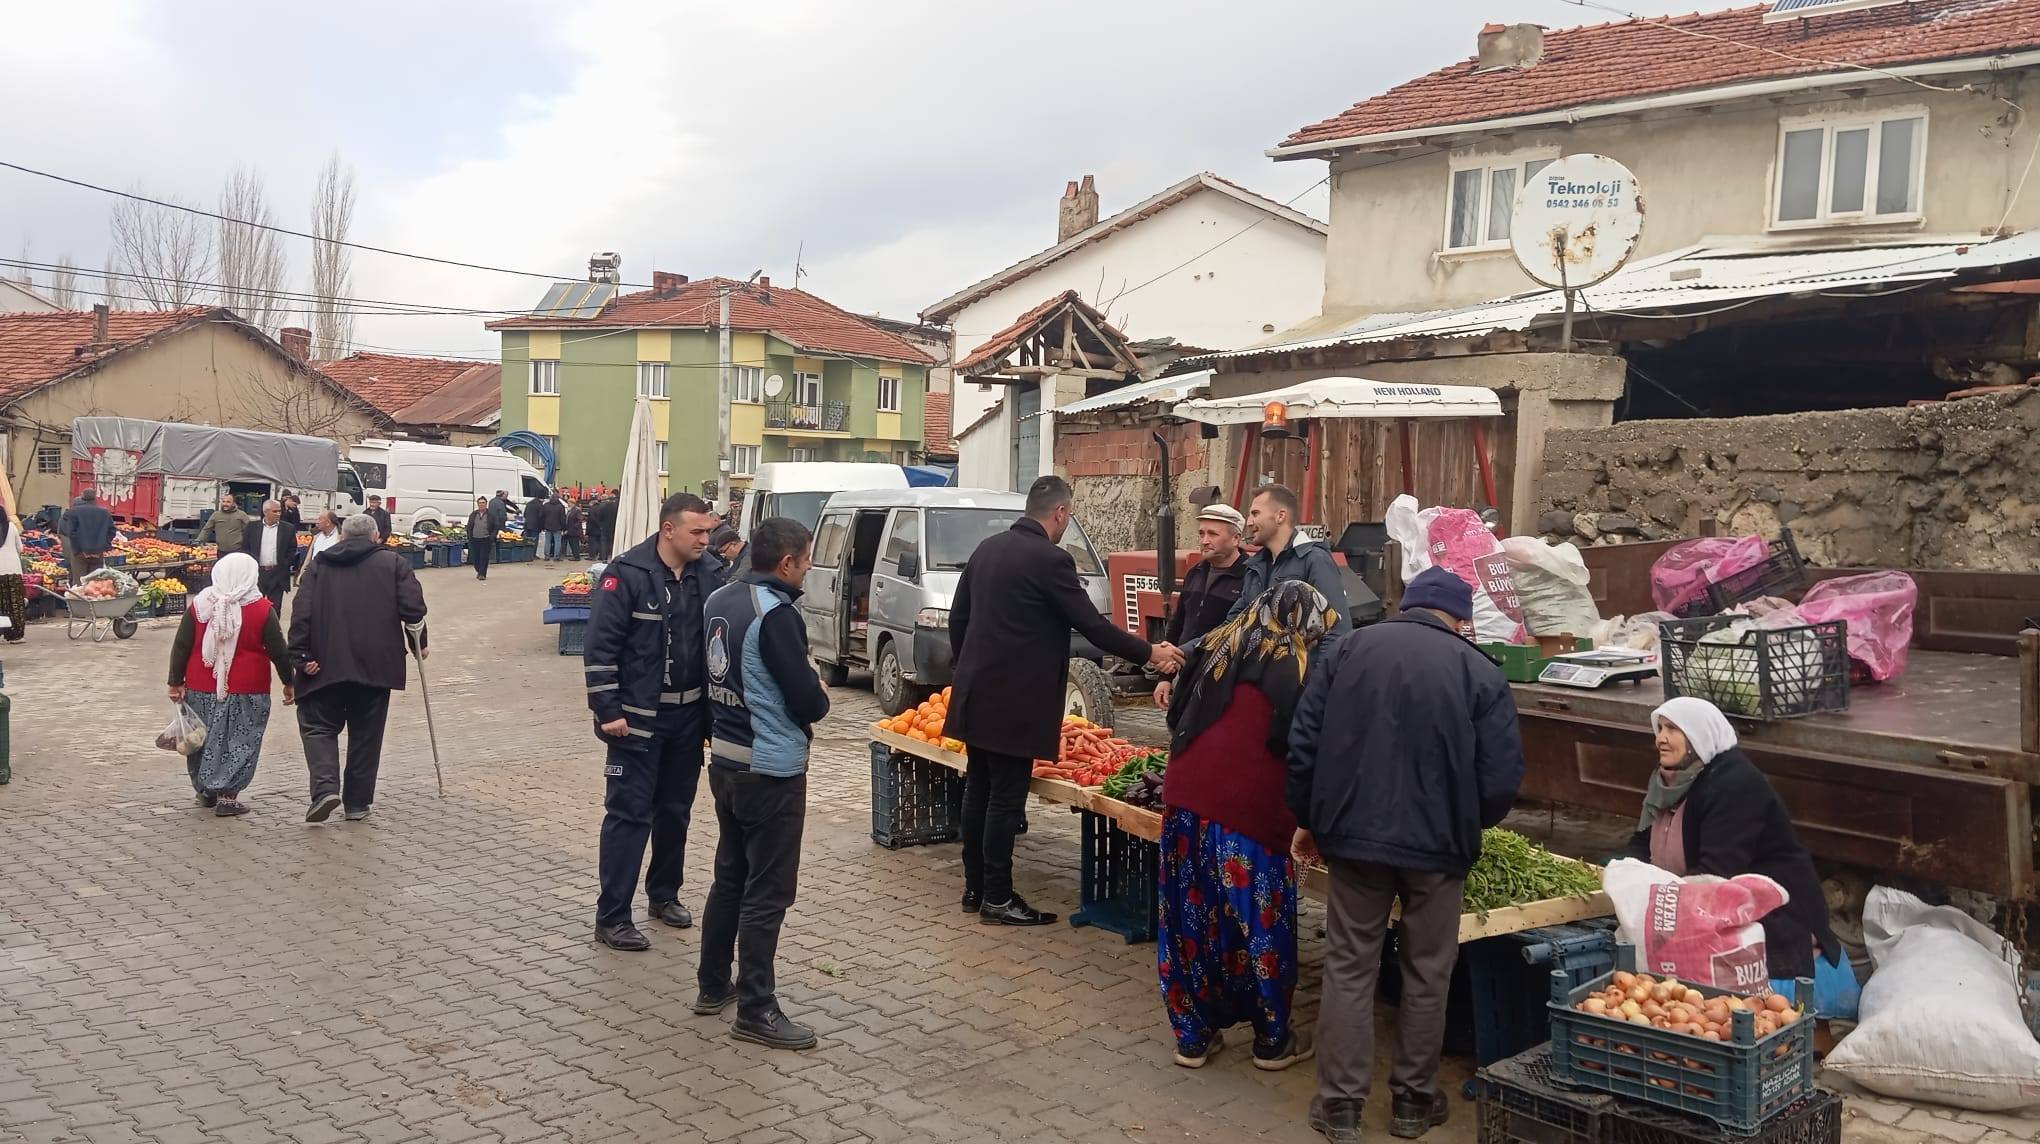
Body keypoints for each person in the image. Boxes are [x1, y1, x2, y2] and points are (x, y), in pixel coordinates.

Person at [1287, 567, 1525, 1144]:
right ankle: (1414, 1104)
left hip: (1354, 838)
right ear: (1461, 619)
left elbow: (1304, 742)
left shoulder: (1348, 650)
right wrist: (1468, 822)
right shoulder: (1479, 672)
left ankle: (1340, 1107)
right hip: (1439, 848)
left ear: (1405, 604)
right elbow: (1500, 779)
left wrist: (1308, 818)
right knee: (1427, 972)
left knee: (1349, 964)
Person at [948, 475, 1181, 926]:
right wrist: (1151, 652)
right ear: (1060, 514)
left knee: (978, 788)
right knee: (1004, 799)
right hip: (1016, 701)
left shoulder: (986, 549)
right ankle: (997, 897)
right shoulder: (1051, 561)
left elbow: (959, 618)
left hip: (976, 693)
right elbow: (1093, 627)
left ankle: (975, 888)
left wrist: (970, 667)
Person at [1157, 580, 1334, 1072]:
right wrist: (1310, 822)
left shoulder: (1218, 647)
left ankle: (1192, 1036)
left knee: (1189, 919)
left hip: (1184, 801)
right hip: (1246, 814)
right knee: (1260, 925)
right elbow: (1302, 755)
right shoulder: (1290, 668)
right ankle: (1272, 1040)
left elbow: (1175, 719)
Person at [1624, 697, 1853, 1012]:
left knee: (1763, 1010)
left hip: (1770, 910)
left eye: (1673, 729)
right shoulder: (1669, 781)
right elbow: (1642, 840)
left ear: (1698, 735)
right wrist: (1628, 877)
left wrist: (1665, 902)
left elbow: (1717, 871)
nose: (1660, 738)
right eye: (1660, 728)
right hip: (1699, 897)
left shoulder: (1734, 782)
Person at [696, 517, 831, 1050]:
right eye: (807, 561)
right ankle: (756, 1007)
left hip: (725, 762)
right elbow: (810, 702)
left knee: (730, 877)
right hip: (769, 768)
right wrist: (816, 687)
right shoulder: (775, 616)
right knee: (767, 891)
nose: (809, 570)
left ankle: (713, 985)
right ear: (787, 564)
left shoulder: (720, 600)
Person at [583, 492, 726, 951]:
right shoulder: (626, 574)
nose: (707, 539)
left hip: (689, 718)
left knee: (675, 812)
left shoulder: (711, 574)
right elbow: (600, 647)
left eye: (709, 530)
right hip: (637, 721)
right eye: (697, 532)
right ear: (669, 530)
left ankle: (664, 895)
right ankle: (613, 917)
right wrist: (608, 710)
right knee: (628, 816)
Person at [291, 512, 429, 824]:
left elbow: (302, 611)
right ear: (376, 537)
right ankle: (356, 803)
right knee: (366, 735)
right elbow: (413, 610)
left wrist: (298, 654)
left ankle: (326, 788)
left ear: (341, 537)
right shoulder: (394, 564)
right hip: (376, 664)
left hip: (324, 661)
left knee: (318, 726)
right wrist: (418, 645)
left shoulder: (319, 565)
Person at [166, 553, 294, 817]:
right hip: (248, 689)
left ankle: (204, 790)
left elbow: (182, 645)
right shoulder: (261, 608)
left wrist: (175, 682)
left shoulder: (201, 605)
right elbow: (278, 650)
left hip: (202, 685)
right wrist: (289, 681)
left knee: (202, 736)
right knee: (240, 740)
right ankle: (228, 796)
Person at [1225, 485, 1351, 644]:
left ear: (1280, 516)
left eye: (1255, 513)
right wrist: (1191, 650)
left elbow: (1336, 632)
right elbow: (1232, 626)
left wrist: (1317, 670)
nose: (1249, 522)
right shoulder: (1255, 567)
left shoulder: (1315, 561)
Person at [1153, 503, 1249, 709]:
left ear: (1236, 539)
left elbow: (1233, 631)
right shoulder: (1195, 573)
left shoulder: (1250, 578)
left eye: (1213, 534)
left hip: (1224, 683)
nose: (1205, 540)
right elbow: (1177, 625)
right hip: (1188, 676)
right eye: (1202, 533)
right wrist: (1165, 678)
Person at [240, 500, 300, 608]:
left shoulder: (288, 528)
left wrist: (285, 564)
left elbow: (292, 550)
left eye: (279, 511)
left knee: (275, 609)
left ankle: (273, 625)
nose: (278, 514)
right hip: (257, 574)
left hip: (277, 575)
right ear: (266, 512)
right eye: (275, 511)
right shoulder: (252, 527)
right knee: (256, 608)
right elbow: (245, 548)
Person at [59, 489, 116, 582]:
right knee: (95, 583)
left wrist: (79, 549)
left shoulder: (74, 512)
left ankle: (78, 596)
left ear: (83, 497)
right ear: (95, 498)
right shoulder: (105, 512)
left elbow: (71, 533)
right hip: (98, 554)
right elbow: (112, 531)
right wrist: (102, 547)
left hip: (80, 554)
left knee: (79, 582)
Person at [0, 503, 26, 643]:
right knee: (15, 603)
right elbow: (20, 548)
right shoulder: (11, 527)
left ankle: (2, 631)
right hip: (13, 570)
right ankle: (16, 634)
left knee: (1, 603)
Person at [466, 497, 498, 582]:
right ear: (477, 504)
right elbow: (469, 526)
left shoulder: (491, 515)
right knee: (476, 558)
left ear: (486, 504)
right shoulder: (473, 514)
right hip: (475, 539)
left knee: (484, 557)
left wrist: (492, 537)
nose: (481, 504)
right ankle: (478, 570)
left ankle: (482, 574)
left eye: (483, 502)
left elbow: (495, 527)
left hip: (486, 539)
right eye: (480, 503)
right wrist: (469, 536)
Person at [540, 492, 568, 562]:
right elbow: (563, 519)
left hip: (547, 526)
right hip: (557, 527)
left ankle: (547, 556)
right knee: (557, 542)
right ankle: (556, 556)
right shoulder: (560, 507)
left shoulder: (546, 505)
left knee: (547, 541)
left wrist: (543, 525)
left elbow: (541, 516)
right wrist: (564, 528)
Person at [591, 494, 618, 560]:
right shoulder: (616, 506)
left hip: (604, 527)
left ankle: (604, 558)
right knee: (612, 542)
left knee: (604, 543)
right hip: (614, 526)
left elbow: (599, 517)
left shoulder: (602, 506)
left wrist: (600, 525)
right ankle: (613, 555)